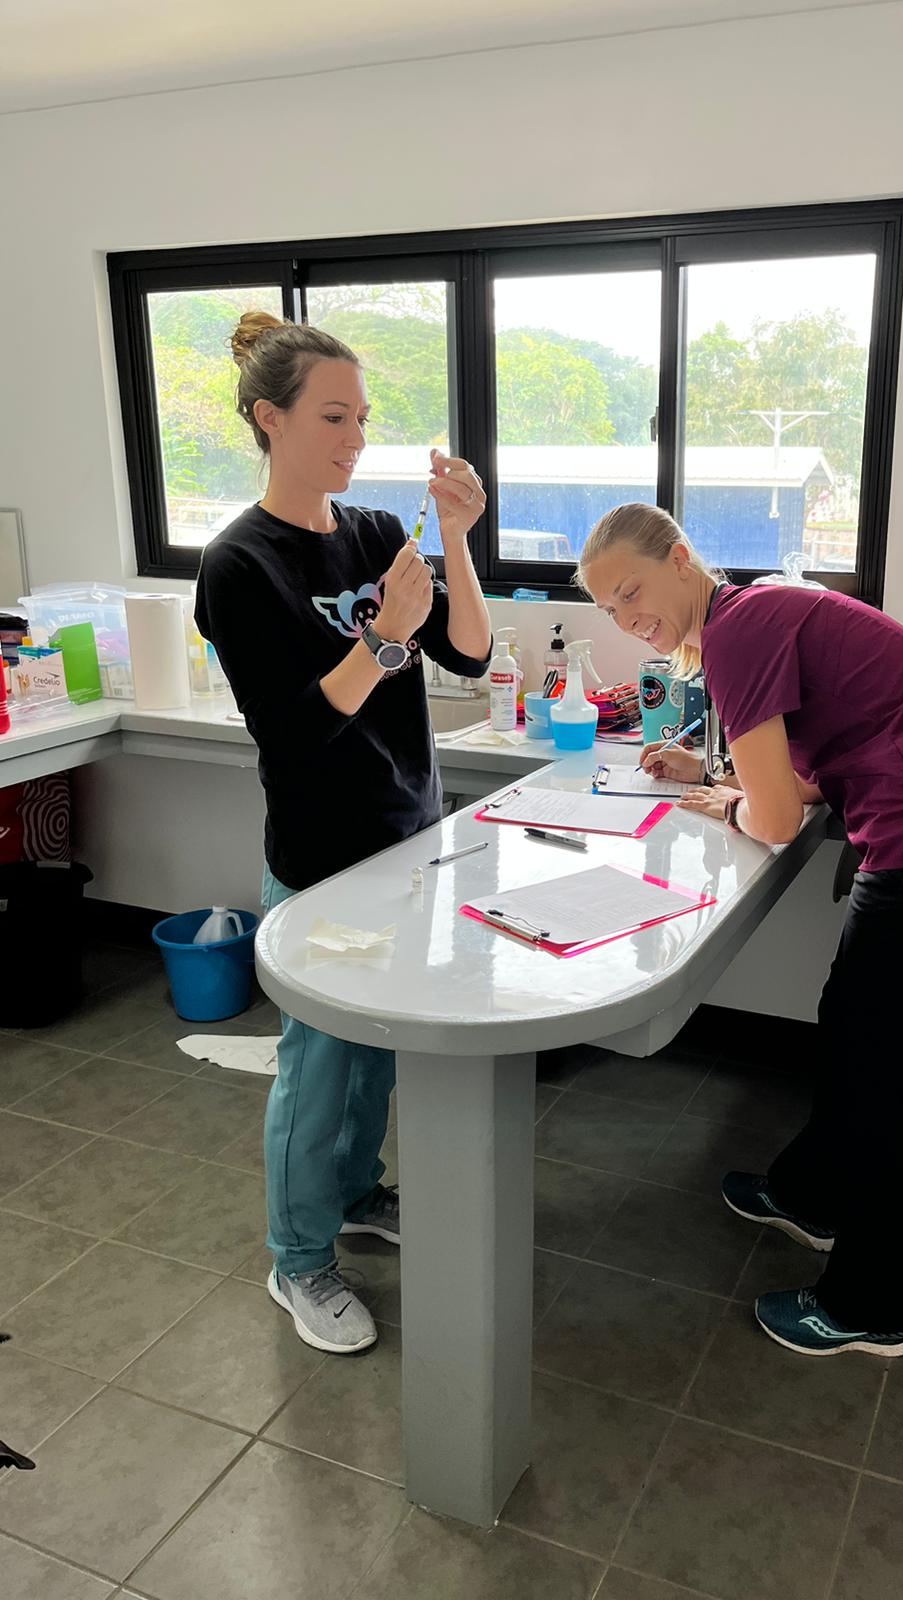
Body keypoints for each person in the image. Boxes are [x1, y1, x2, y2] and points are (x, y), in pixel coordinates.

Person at [577, 505, 903, 1357]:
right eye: (608, 607)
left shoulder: (734, 634)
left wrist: (744, 804)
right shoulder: (755, 612)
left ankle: (872, 1304)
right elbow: (839, 738)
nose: (626, 616)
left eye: (632, 590)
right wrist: (725, 781)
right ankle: (811, 1195)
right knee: (852, 1027)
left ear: (682, 559)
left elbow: (780, 818)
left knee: (880, 1071)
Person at [195, 312, 492, 1354]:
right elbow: (297, 726)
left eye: (361, 417)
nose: (353, 436)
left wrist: (455, 535)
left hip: (409, 842)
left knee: (376, 1054)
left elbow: (467, 651)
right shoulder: (238, 565)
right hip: (320, 861)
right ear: (269, 418)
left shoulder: (373, 533)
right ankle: (298, 1257)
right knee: (316, 1067)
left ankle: (359, 1194)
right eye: (331, 415)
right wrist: (380, 635)